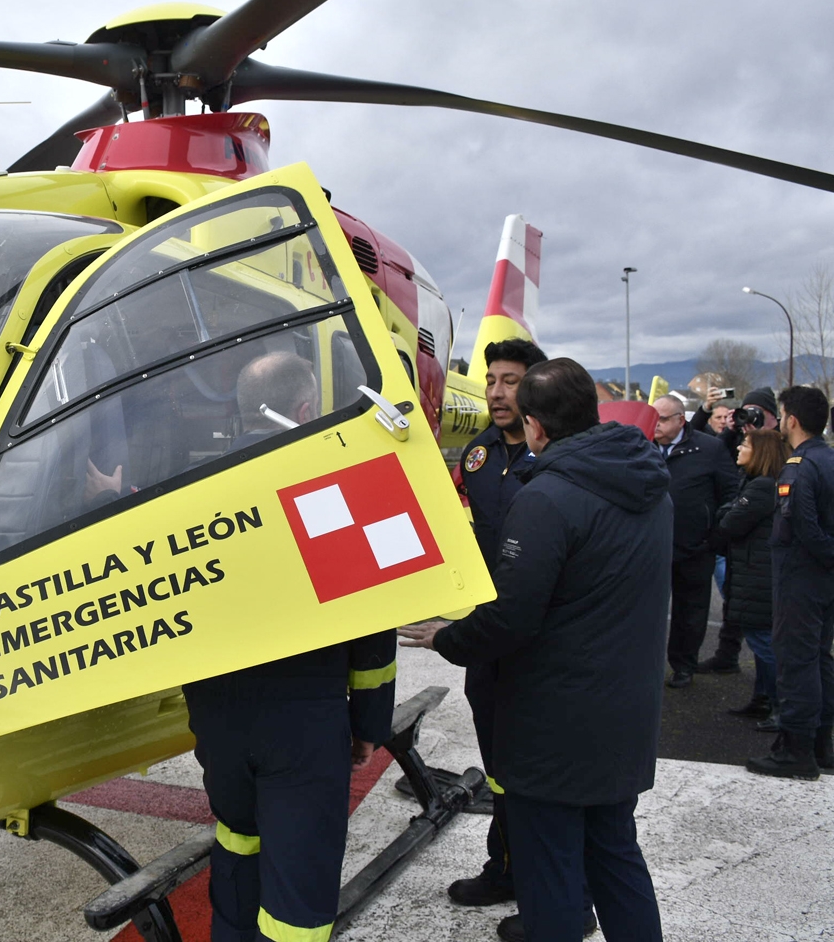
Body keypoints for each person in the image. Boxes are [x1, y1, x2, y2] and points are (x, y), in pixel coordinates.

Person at [401, 358, 669, 942]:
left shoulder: (547, 496)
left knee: (548, 870)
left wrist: (446, 637)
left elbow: (512, 620)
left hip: (554, 723)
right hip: (626, 713)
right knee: (615, 854)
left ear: (537, 427)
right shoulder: (647, 484)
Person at [182, 349, 392, 942]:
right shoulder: (326, 480)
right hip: (303, 716)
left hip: (218, 712)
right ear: (305, 408)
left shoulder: (192, 488)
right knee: (300, 877)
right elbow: (370, 617)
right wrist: (369, 719)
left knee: (238, 842)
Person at [447, 337, 547, 911]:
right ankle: (505, 866)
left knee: (538, 766)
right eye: (491, 379)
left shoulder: (555, 456)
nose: (495, 391)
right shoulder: (479, 455)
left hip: (539, 636)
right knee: (499, 762)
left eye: (510, 380)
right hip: (489, 631)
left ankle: (552, 886)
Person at [748, 385, 834, 780]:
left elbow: (802, 526)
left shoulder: (799, 466)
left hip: (802, 577)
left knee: (797, 661)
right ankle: (819, 744)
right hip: (822, 579)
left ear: (792, 420)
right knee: (819, 659)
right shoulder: (828, 459)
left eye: (782, 415)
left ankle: (796, 750)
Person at [653, 395, 738, 688]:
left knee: (691, 612)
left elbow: (730, 492)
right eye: (654, 417)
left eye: (663, 419)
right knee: (647, 610)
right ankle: (645, 666)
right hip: (651, 548)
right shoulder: (641, 448)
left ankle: (683, 665)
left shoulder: (709, 448)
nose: (657, 424)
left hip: (695, 547)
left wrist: (714, 536)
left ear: (680, 420)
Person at [714, 429, 791, 727]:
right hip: (756, 574)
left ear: (760, 452)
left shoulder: (761, 487)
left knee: (764, 643)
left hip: (757, 577)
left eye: (744, 444)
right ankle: (762, 699)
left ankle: (778, 706)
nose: (738, 449)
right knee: (762, 642)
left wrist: (730, 509)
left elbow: (729, 523)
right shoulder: (758, 484)